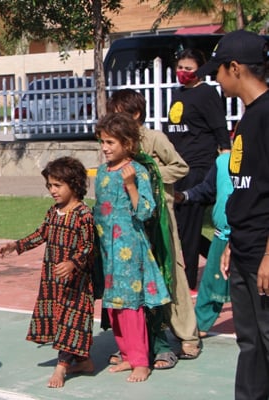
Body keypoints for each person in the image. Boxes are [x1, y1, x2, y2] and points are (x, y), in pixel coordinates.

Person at [198, 30, 269, 400]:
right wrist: (232, 240)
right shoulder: (249, 116)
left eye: (218, 71)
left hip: (263, 251)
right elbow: (249, 187)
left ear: (236, 68)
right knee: (250, 342)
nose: (215, 79)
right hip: (244, 247)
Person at [106, 89, 201, 366]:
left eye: (119, 113)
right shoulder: (119, 143)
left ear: (135, 114)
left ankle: (188, 336)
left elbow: (180, 167)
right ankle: (137, 342)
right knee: (135, 276)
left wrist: (150, 175)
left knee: (171, 271)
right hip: (130, 221)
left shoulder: (154, 139)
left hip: (160, 214)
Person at [0, 156, 95, 388]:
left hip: (76, 282)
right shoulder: (53, 212)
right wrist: (17, 245)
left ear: (74, 184)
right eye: (50, 185)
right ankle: (83, 361)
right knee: (61, 319)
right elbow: (41, 234)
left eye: (57, 185)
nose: (52, 190)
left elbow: (89, 247)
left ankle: (61, 367)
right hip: (52, 280)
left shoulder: (84, 215)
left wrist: (73, 263)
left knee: (70, 321)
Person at [93, 112, 171, 383]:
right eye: (102, 142)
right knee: (113, 306)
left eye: (110, 142)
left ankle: (141, 362)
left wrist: (130, 186)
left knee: (131, 307)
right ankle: (127, 354)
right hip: (107, 251)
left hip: (129, 251)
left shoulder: (137, 171)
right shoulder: (102, 171)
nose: (105, 148)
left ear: (127, 143)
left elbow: (146, 211)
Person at [166, 48, 232, 291]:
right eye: (180, 67)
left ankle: (188, 280)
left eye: (188, 68)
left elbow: (218, 126)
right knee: (181, 225)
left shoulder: (206, 94)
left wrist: (225, 153)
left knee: (190, 224)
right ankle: (217, 255)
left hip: (199, 166)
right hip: (178, 166)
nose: (182, 72)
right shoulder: (178, 93)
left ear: (200, 70)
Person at [175, 151, 232, 338]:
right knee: (210, 286)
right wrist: (185, 196)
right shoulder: (223, 162)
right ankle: (200, 325)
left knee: (257, 288)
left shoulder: (261, 162)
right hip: (222, 235)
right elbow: (207, 189)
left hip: (250, 238)